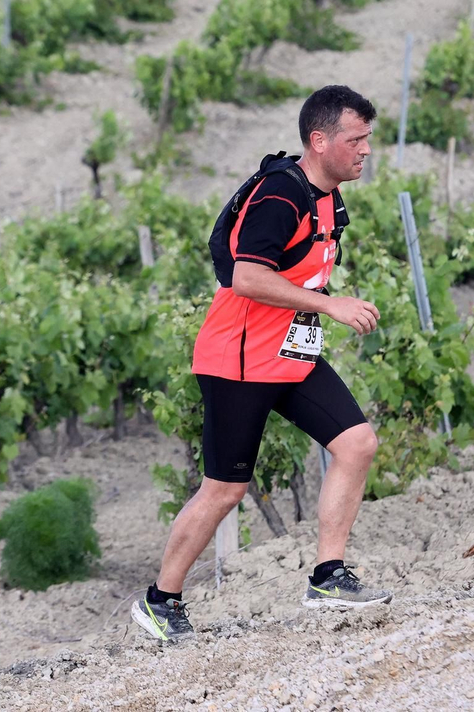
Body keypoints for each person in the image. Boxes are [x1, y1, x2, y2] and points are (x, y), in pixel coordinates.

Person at [131, 85, 394, 643]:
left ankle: (327, 576)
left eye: (369, 138)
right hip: (239, 359)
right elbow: (246, 277)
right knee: (224, 490)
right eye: (356, 139)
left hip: (291, 355)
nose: (366, 149)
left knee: (357, 444)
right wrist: (331, 304)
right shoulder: (281, 194)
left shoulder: (328, 197)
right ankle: (160, 602)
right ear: (319, 141)